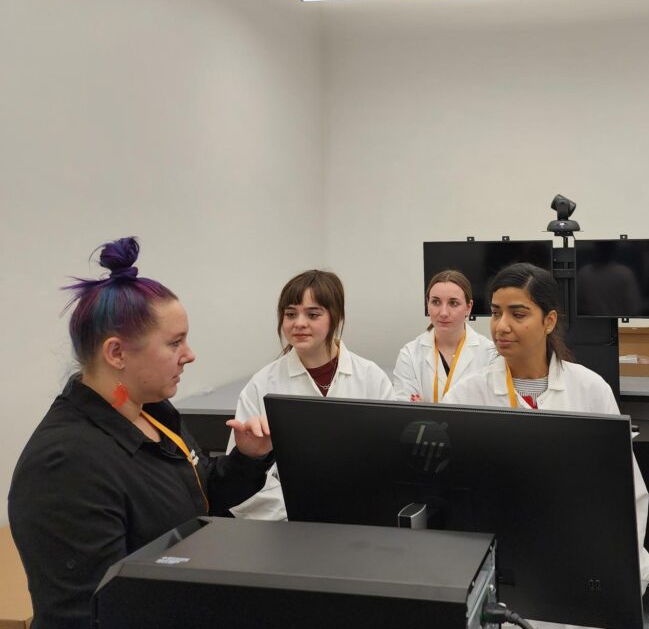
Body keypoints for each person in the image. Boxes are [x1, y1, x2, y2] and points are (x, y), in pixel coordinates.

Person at [8, 237, 274, 629]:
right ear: (116, 354)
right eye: (175, 342)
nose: (190, 354)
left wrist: (247, 458)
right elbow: (90, 614)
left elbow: (198, 500)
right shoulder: (66, 464)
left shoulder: (153, 413)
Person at [443, 263, 649, 602]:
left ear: (549, 321)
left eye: (518, 313)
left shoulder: (589, 389)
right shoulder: (468, 395)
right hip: (497, 564)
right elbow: (450, 492)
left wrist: (617, 570)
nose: (502, 326)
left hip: (578, 561)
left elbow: (627, 492)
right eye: (496, 313)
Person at [229, 269, 394, 520]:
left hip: (364, 518)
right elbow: (242, 478)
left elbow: (392, 459)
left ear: (335, 317)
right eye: (290, 314)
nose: (299, 323)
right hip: (287, 524)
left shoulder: (370, 378)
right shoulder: (262, 384)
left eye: (313, 314)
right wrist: (301, 511)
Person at [392, 269, 498, 402]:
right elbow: (405, 411)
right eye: (436, 302)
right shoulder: (409, 354)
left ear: (468, 307)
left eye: (453, 303)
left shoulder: (490, 354)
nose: (443, 313)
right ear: (427, 304)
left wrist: (426, 409)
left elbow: (491, 410)